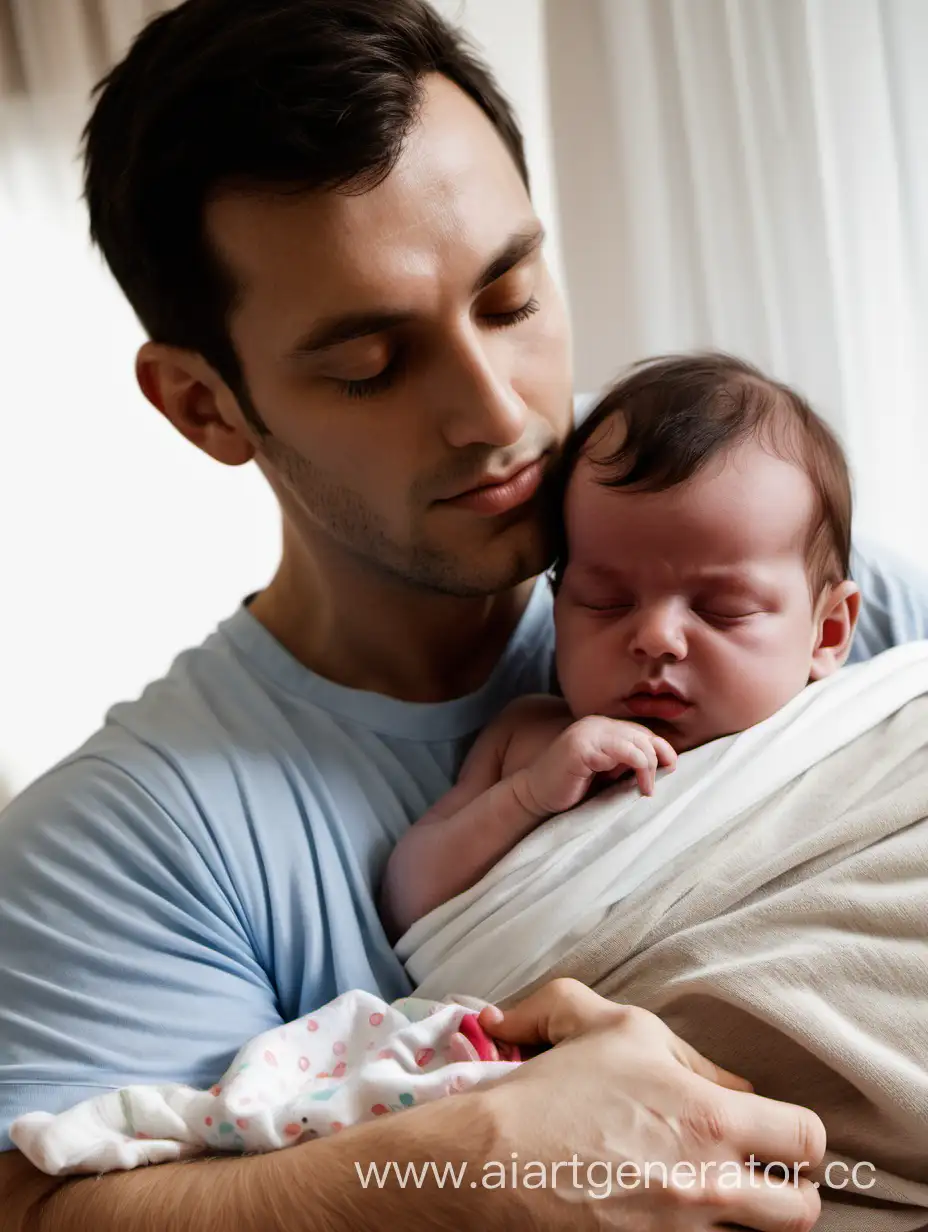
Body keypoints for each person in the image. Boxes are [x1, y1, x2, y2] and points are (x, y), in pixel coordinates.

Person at [1, 1, 926, 1228]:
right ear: (203, 406)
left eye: (510, 299)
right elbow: (51, 1207)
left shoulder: (734, 533)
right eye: (370, 364)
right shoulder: (127, 843)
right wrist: (472, 1159)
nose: (496, 411)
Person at [381, 352, 861, 936]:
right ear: (556, 608)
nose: (656, 638)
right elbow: (408, 898)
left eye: (721, 609)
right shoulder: (529, 739)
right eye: (606, 602)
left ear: (828, 632)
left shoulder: (841, 734)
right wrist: (529, 797)